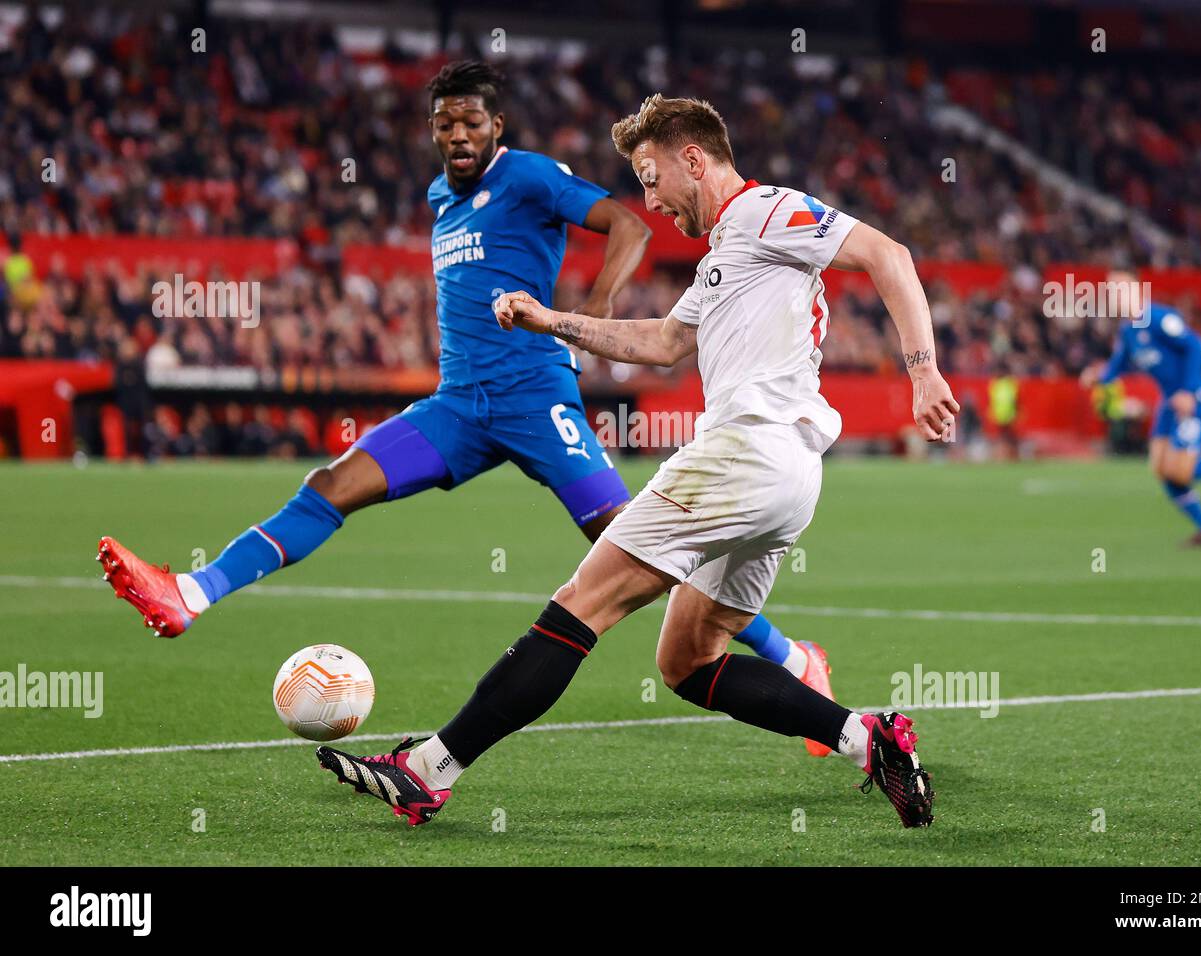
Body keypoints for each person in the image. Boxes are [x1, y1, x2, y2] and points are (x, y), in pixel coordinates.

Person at [96, 63, 833, 747]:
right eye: (445, 123)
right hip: (458, 408)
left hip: (535, 397)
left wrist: (592, 314)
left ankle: (793, 657)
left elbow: (631, 224)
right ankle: (191, 592)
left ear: (497, 127)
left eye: (472, 122)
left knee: (631, 545)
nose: (458, 134)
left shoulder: (530, 177)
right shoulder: (439, 198)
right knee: (330, 486)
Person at [316, 94, 960, 829]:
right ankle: (865, 738)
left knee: (581, 603)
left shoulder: (762, 211)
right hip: (788, 479)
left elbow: (888, 254)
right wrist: (550, 319)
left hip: (741, 455)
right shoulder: (728, 256)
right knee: (687, 662)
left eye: (652, 179)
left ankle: (428, 769)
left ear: (694, 159)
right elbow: (658, 342)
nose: (649, 200)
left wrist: (922, 370)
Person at [1081, 274, 1201, 546]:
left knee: (1181, 472)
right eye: (1110, 293)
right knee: (1161, 469)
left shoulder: (1158, 318)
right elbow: (1121, 363)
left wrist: (1188, 391)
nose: (1114, 297)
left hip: (1194, 400)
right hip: (1169, 404)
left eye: (1119, 290)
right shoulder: (1128, 330)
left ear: (1136, 291)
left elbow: (1194, 346)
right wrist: (1100, 376)